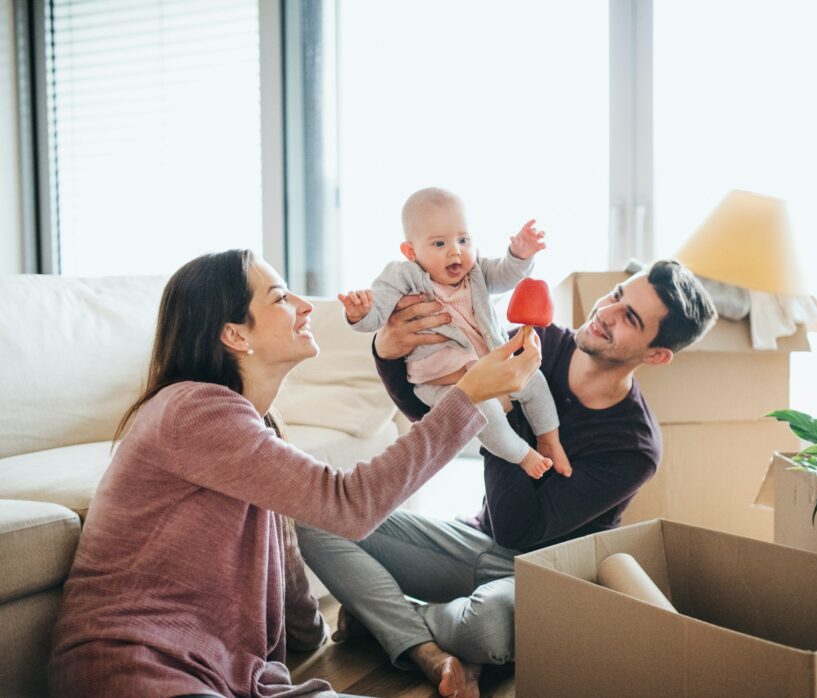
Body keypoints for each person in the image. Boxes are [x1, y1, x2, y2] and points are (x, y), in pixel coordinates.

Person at [48, 249, 541, 698]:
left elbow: (283, 545)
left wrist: (315, 634)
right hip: (137, 664)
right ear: (235, 334)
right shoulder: (192, 410)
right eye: (282, 297)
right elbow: (348, 505)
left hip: (231, 672)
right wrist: (466, 396)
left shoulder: (248, 421)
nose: (306, 307)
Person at [298, 260, 717, 698]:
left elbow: (520, 530)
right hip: (472, 542)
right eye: (616, 294)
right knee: (318, 517)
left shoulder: (633, 448)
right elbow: (429, 414)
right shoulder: (537, 342)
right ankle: (423, 648)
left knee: (485, 626)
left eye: (630, 317)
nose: (606, 312)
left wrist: (500, 405)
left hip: (541, 573)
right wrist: (386, 352)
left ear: (656, 355)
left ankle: (382, 616)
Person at [340, 187, 570, 479]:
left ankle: (549, 439)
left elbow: (505, 275)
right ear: (411, 251)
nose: (455, 251)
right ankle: (523, 455)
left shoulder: (476, 271)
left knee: (534, 381)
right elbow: (377, 315)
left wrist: (519, 256)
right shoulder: (402, 276)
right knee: (484, 412)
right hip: (441, 380)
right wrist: (360, 313)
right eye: (439, 243)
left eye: (463, 240)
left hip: (489, 368)